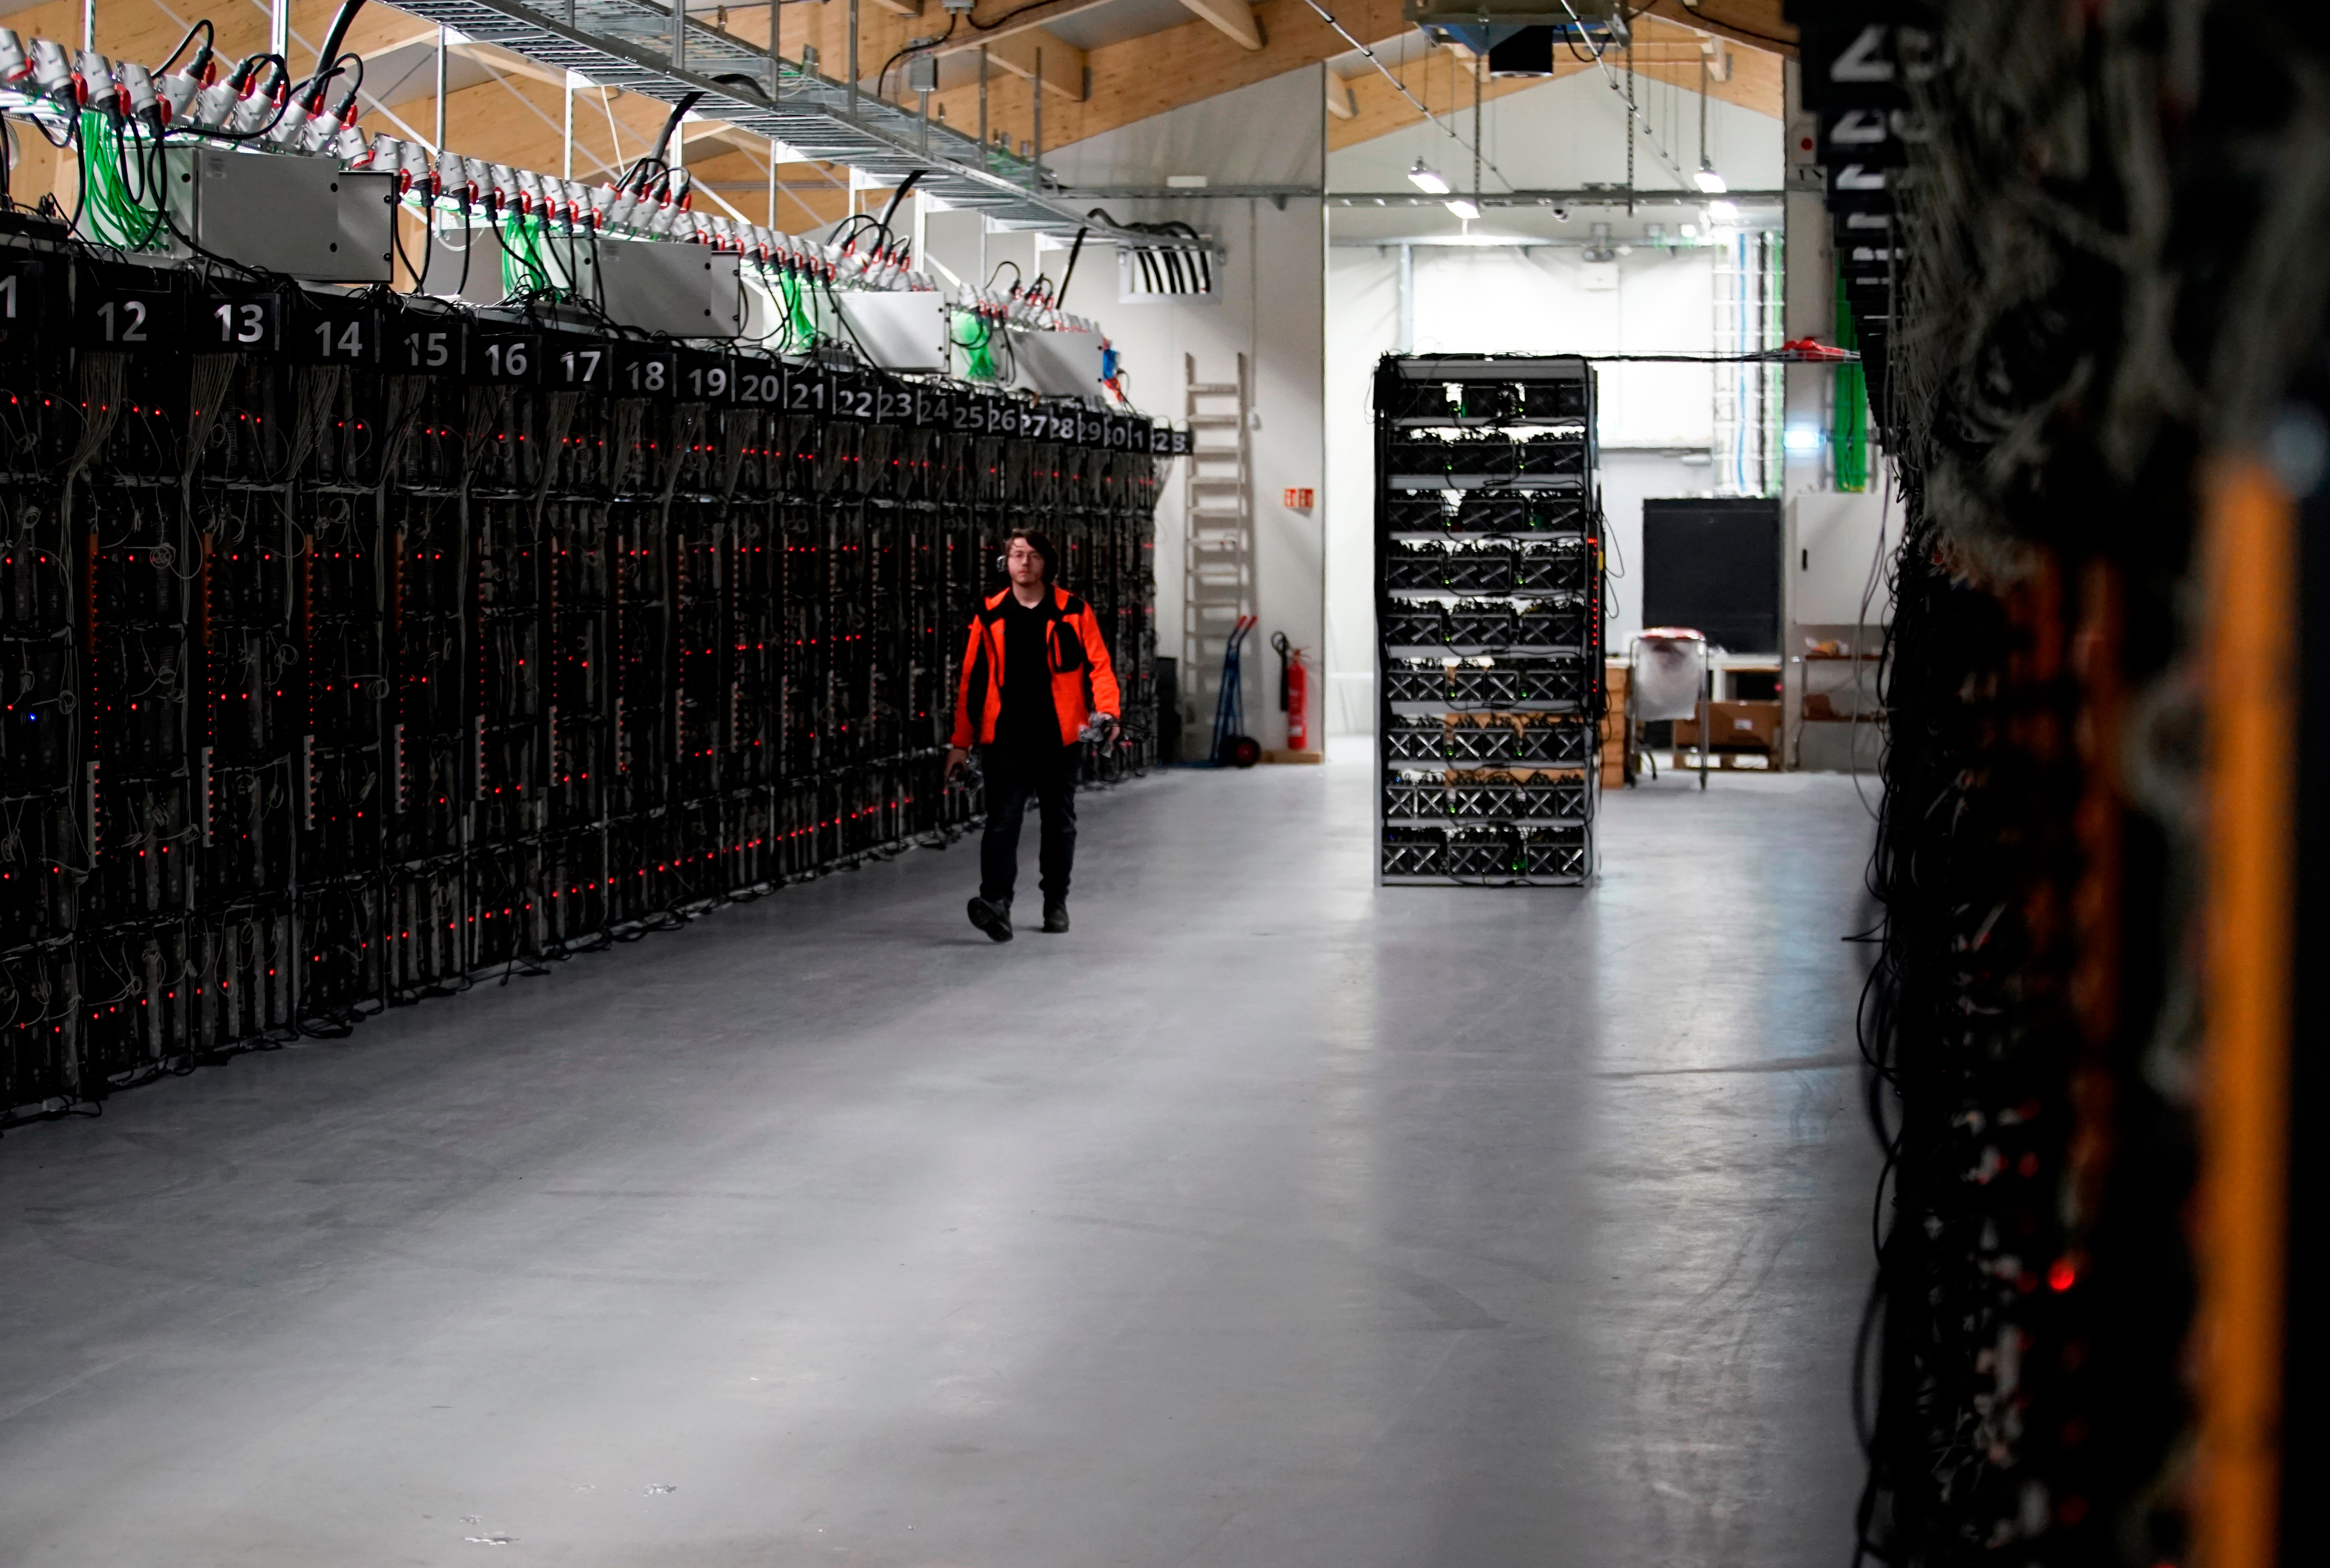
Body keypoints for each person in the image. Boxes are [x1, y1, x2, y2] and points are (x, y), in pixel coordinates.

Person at [946, 528, 1118, 941]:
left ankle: (1055, 900)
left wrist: (1109, 712)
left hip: (1060, 737)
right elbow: (972, 681)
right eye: (1016, 554)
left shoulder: (1073, 611)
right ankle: (996, 904)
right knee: (1002, 819)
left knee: (1059, 822)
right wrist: (959, 743)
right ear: (1006, 562)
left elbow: (1100, 666)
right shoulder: (989, 613)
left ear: (1047, 562)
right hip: (1005, 735)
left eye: (1033, 555)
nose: (1024, 562)